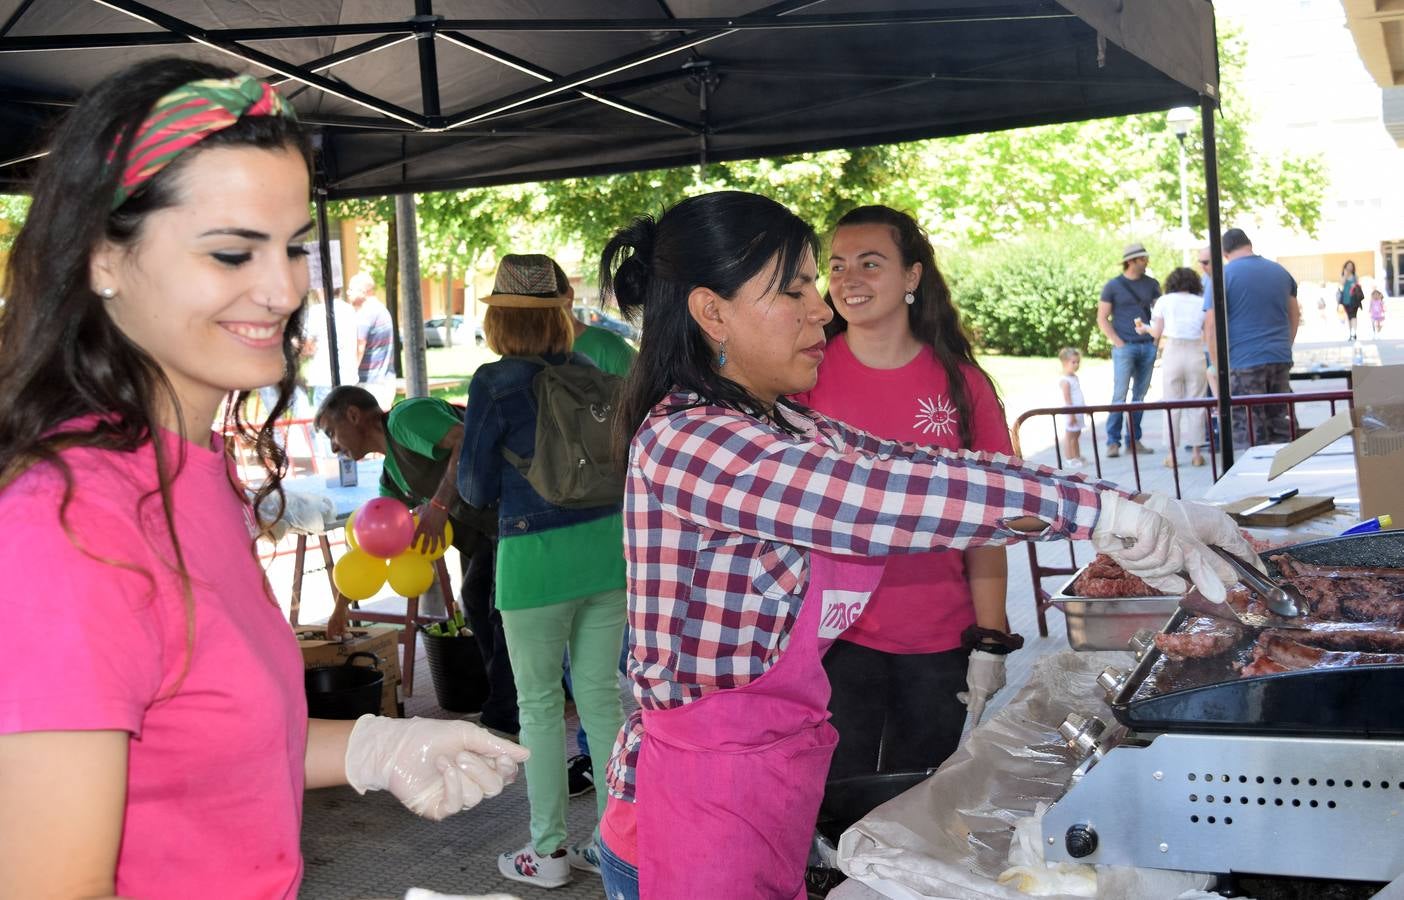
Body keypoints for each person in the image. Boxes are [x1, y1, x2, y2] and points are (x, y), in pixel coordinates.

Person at [592, 190, 1256, 899]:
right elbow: (874, 501)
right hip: (688, 815)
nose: (821, 307)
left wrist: (1138, 503)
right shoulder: (690, 440)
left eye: (814, 285)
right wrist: (1096, 516)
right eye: (793, 290)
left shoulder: (789, 424)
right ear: (711, 311)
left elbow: (928, 469)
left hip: (767, 788)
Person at [0, 59, 528, 900]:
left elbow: (197, 737)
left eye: (293, 248)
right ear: (103, 257)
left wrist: (370, 747)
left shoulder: (191, 474)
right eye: (231, 252)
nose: (283, 289)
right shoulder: (64, 527)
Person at [794, 204, 1013, 787]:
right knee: (834, 801)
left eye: (870, 263)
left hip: (938, 637)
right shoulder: (800, 379)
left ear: (912, 276)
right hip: (832, 639)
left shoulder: (963, 386)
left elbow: (989, 523)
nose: (848, 280)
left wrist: (990, 639)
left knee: (917, 803)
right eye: (836, 266)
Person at [456, 253, 627, 889]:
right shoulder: (596, 374)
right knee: (603, 701)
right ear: (562, 314)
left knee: (539, 707)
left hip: (533, 560)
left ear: (500, 318)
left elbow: (473, 487)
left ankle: (548, 852)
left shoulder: (493, 383)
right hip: (608, 554)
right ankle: (612, 846)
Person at [314, 386, 517, 735]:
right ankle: (514, 698)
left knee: (501, 611)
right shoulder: (391, 477)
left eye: (331, 432)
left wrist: (437, 505)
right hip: (489, 532)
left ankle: (505, 714)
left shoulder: (407, 417)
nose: (334, 446)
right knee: (478, 601)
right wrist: (340, 608)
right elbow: (372, 546)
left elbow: (464, 439)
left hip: (517, 512)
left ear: (353, 415)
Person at [1205, 228, 1300, 448]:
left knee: (1248, 429)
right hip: (1279, 358)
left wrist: (1217, 364)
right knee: (1280, 424)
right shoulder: (1280, 272)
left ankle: (1257, 478)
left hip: (1242, 363)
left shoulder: (1222, 276)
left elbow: (1211, 326)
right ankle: (1283, 473)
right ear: (1249, 244)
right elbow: (1294, 314)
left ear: (1225, 252)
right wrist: (1285, 346)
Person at [1137, 266, 1211, 467]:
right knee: (1197, 403)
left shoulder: (1164, 301)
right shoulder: (1201, 302)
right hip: (1195, 351)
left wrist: (1144, 328)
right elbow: (1207, 330)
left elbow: (1156, 332)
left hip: (1173, 351)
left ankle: (1172, 455)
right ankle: (1196, 453)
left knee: (1171, 404)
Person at [1096, 241, 1161, 457]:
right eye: (1143, 258)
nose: (1146, 261)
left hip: (1147, 346)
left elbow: (1158, 315)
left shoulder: (1152, 284)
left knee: (1139, 396)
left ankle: (1134, 440)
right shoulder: (1113, 286)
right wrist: (1117, 342)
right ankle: (1112, 442)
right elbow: (1102, 317)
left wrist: (1155, 341)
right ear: (1131, 261)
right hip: (1125, 347)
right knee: (1119, 395)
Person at [349, 270, 396, 404]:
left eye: (351, 289)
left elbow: (360, 346)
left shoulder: (367, 312)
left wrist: (351, 374)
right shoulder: (380, 309)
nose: (348, 293)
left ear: (363, 291)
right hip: (384, 380)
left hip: (370, 383)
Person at [1057, 347, 1087, 467]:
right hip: (1071, 412)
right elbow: (1068, 400)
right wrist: (1072, 414)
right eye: (1073, 362)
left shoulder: (1074, 377)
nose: (1076, 365)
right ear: (1065, 363)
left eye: (1078, 362)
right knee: (1070, 436)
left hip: (1078, 411)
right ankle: (1069, 458)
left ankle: (1077, 455)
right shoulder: (1065, 381)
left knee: (1077, 434)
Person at [1338, 260, 1364, 342]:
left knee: (1354, 316)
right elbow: (1341, 284)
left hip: (1354, 299)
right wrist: (1345, 275)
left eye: (1351, 266)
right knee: (1349, 317)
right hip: (1346, 299)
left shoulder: (1355, 276)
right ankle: (1350, 333)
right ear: (1345, 267)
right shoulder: (1343, 275)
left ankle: (1354, 333)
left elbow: (1359, 285)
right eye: (1348, 266)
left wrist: (1355, 285)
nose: (1349, 267)